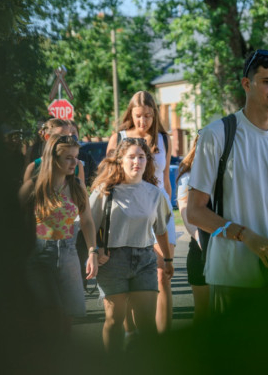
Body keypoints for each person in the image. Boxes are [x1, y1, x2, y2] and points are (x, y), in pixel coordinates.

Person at [187, 49, 268, 313]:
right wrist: (246, 236)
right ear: (247, 84)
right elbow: (195, 212)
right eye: (267, 81)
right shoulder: (217, 134)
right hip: (231, 276)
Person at [89, 137, 173, 351]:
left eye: (141, 157)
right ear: (120, 160)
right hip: (112, 261)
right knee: (114, 320)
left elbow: (161, 229)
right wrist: (94, 251)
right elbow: (89, 226)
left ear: (147, 161)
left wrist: (167, 259)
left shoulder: (155, 193)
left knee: (146, 323)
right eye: (132, 157)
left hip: (145, 259)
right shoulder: (105, 191)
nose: (137, 162)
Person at [106, 91, 176, 332]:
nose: (143, 121)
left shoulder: (164, 138)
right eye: (138, 116)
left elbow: (165, 178)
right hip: (130, 210)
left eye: (147, 115)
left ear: (154, 114)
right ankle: (131, 334)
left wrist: (169, 208)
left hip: (159, 207)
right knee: (130, 277)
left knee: (162, 275)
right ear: (131, 114)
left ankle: (163, 337)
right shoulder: (120, 137)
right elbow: (108, 178)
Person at [18, 134, 99, 333]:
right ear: (53, 159)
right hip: (39, 255)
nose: (74, 163)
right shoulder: (34, 186)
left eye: (76, 157)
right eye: (68, 158)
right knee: (50, 315)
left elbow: (87, 221)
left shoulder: (77, 186)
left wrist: (92, 252)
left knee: (67, 318)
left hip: (69, 253)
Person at [175, 136, 211, 324]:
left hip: (228, 244)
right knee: (203, 311)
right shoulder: (188, 175)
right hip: (200, 246)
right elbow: (185, 211)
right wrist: (199, 237)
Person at [23, 118, 86, 187]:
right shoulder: (34, 167)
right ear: (47, 137)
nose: (67, 140)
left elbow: (81, 192)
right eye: (61, 136)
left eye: (68, 136)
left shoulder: (76, 166)